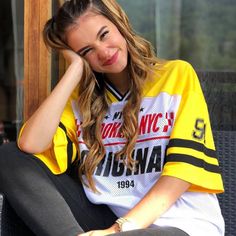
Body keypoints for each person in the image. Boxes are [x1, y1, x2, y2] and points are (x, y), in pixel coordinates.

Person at [0, 0, 224, 236]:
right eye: (87, 51)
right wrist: (75, 69)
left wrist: (117, 230)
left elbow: (182, 172)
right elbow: (30, 144)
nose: (104, 52)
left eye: (104, 34)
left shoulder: (176, 76)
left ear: (119, 23)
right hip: (105, 221)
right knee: (8, 156)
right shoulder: (80, 101)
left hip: (180, 223)